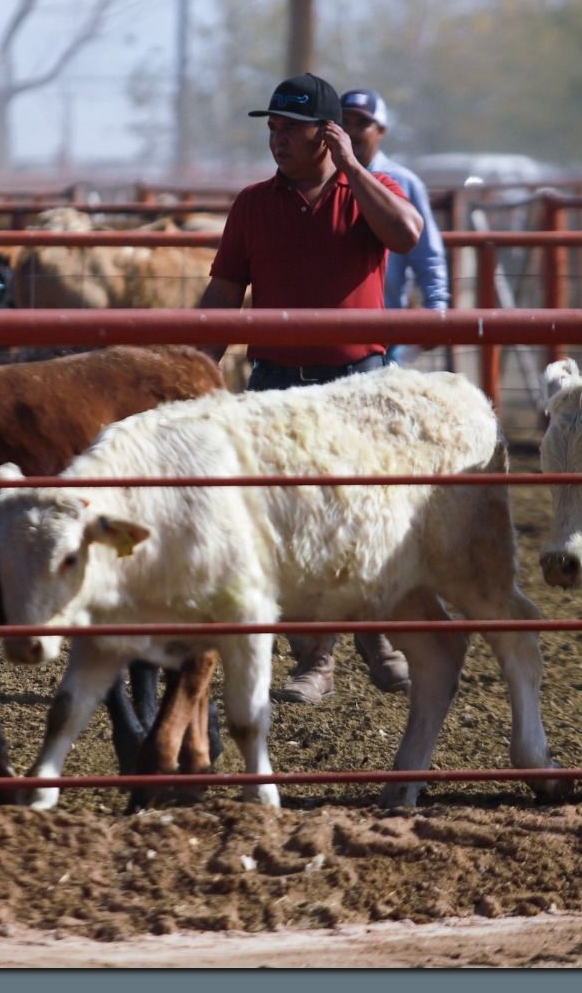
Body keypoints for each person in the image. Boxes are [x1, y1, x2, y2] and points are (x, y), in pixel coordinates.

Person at [195, 72, 416, 704]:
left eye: (289, 128)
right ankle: (319, 659)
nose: (276, 140)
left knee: (362, 514)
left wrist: (352, 166)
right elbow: (223, 294)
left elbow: (406, 234)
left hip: (355, 384)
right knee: (289, 521)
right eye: (272, 128)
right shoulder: (252, 205)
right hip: (277, 384)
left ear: (327, 134)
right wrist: (192, 370)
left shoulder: (370, 194)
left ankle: (372, 637)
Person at [340, 89, 449, 364]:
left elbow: (426, 253)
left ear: (381, 131)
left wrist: (436, 311)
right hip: (335, 327)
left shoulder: (403, 182)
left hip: (383, 328)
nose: (351, 132)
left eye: (362, 124)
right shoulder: (323, 180)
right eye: (344, 123)